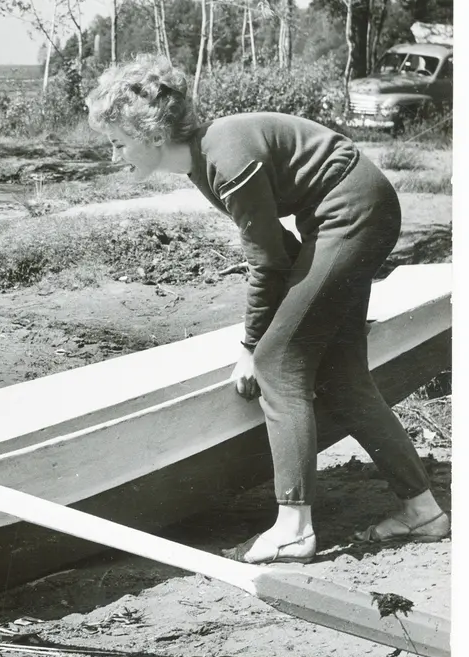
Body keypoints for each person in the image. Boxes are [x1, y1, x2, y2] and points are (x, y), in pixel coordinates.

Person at [85, 56, 449, 564]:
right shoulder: (204, 164)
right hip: (349, 215)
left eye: (118, 141)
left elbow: (267, 263)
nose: (115, 153)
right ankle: (423, 512)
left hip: (353, 214)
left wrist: (253, 345)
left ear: (148, 132)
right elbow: (279, 248)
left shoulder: (227, 159)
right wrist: (308, 307)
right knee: (342, 375)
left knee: (279, 364)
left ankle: (294, 527)